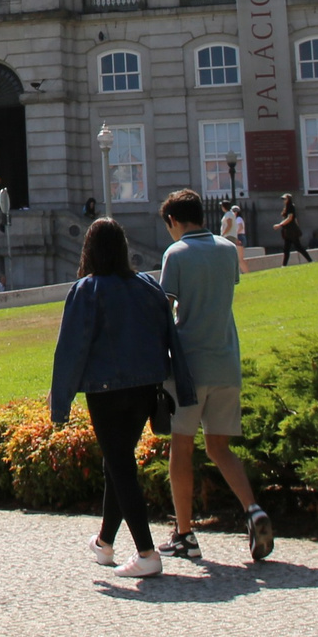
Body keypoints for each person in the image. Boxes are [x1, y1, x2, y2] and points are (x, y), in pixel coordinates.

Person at [49, 218, 195, 579]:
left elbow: (71, 349)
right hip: (146, 387)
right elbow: (169, 337)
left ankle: (146, 553)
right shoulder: (147, 285)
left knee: (120, 466)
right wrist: (182, 386)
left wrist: (60, 400)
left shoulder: (87, 289)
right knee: (118, 462)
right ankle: (104, 542)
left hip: (106, 390)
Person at [153, 191, 274, 564]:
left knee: (181, 449)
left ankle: (184, 534)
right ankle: (253, 509)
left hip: (190, 367)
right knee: (219, 447)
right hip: (226, 362)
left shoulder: (176, 254)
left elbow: (165, 310)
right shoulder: (226, 250)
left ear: (173, 221)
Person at [274, 194, 310, 264]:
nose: (284, 200)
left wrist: (280, 225)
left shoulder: (291, 207)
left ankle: (310, 260)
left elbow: (290, 218)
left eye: (285, 199)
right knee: (287, 249)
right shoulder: (286, 207)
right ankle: (284, 265)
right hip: (288, 231)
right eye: (283, 199)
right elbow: (294, 219)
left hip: (291, 231)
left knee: (298, 247)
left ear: (289, 200)